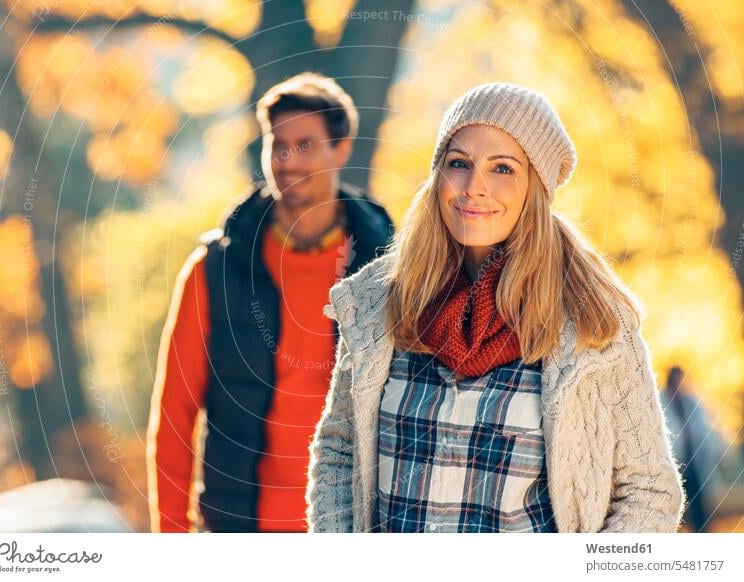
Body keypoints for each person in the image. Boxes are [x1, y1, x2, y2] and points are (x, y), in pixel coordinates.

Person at [306, 82, 685, 533]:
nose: (474, 187)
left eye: (502, 168)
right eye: (459, 164)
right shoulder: (380, 302)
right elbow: (338, 452)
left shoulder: (593, 323)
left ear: (535, 187)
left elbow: (648, 492)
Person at [147, 72, 394, 532]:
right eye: (276, 144)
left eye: (304, 145)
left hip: (352, 526)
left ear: (340, 149)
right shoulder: (214, 269)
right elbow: (174, 416)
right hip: (239, 527)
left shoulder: (390, 271)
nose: (286, 160)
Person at [660, 366, 724, 532]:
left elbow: (704, 431)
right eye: (675, 381)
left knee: (699, 509)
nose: (678, 385)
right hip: (674, 465)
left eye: (680, 381)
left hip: (693, 462)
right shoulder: (660, 402)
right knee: (673, 509)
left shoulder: (691, 403)